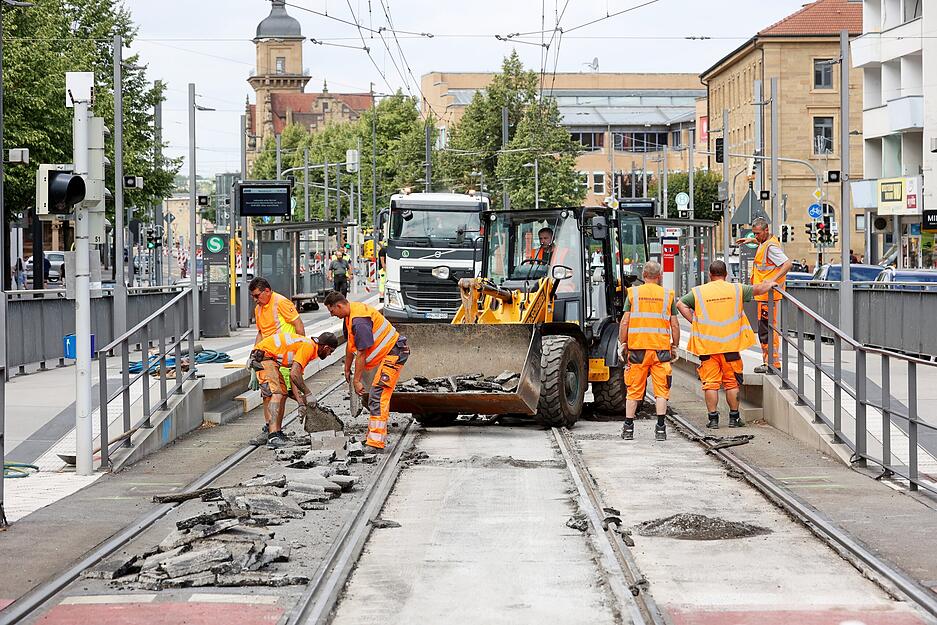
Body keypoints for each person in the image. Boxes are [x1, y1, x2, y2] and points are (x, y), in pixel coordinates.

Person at [676, 261, 776, 429]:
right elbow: (758, 289)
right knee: (731, 383)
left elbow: (680, 304)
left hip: (708, 346)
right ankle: (734, 418)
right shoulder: (736, 289)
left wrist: (694, 321)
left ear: (710, 274)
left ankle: (713, 419)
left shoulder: (699, 292)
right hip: (730, 347)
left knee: (710, 384)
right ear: (726, 274)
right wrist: (771, 283)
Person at [325, 291, 409, 452]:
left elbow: (362, 353)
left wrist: (357, 381)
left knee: (378, 395)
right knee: (377, 395)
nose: (332, 315)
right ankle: (373, 438)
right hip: (389, 354)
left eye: (332, 311)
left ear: (339, 306)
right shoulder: (350, 316)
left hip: (394, 354)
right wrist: (347, 367)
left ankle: (376, 443)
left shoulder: (360, 321)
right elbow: (351, 344)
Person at [618, 260, 680, 441]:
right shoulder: (668, 295)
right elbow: (674, 324)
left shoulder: (633, 294)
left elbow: (625, 321)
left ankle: (628, 427)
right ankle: (660, 428)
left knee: (634, 390)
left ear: (644, 275)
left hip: (637, 350)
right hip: (661, 351)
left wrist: (623, 343)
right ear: (659, 276)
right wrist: (674, 345)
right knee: (661, 391)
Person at [251, 331, 339, 448]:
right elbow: (294, 375)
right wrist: (308, 394)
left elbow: (295, 377)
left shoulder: (308, 346)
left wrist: (300, 403)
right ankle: (273, 437)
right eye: (330, 352)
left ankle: (274, 431)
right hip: (263, 357)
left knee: (282, 393)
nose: (329, 355)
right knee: (276, 393)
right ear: (326, 347)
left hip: (268, 358)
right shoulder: (309, 347)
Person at [248, 276, 306, 445]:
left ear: (267, 291)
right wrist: (253, 355)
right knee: (268, 394)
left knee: (279, 394)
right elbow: (261, 333)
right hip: (266, 357)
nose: (255, 300)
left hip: (284, 358)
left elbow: (299, 325)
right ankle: (271, 429)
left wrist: (300, 353)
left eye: (257, 295)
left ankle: (276, 431)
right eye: (253, 296)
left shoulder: (281, 302)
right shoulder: (259, 309)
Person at [736, 217, 791, 373]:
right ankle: (769, 362)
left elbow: (787, 264)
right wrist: (749, 240)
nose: (756, 236)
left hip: (768, 296)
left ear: (766, 230)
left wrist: (771, 281)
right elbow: (761, 243)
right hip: (764, 296)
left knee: (767, 330)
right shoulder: (765, 242)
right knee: (765, 329)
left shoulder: (771, 247)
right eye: (754, 233)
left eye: (758, 233)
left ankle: (772, 363)